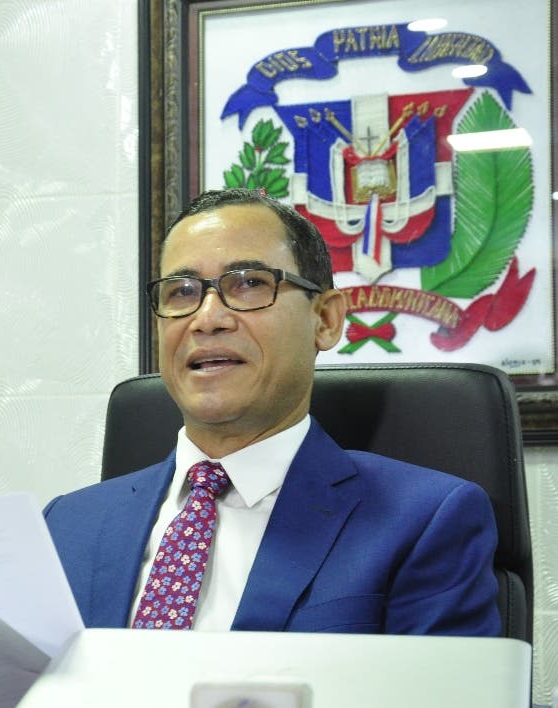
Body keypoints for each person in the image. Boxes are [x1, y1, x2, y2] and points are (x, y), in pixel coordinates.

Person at [43, 187, 501, 636]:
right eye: (181, 292)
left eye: (249, 283)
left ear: (325, 320)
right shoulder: (66, 525)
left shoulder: (424, 521)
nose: (207, 319)